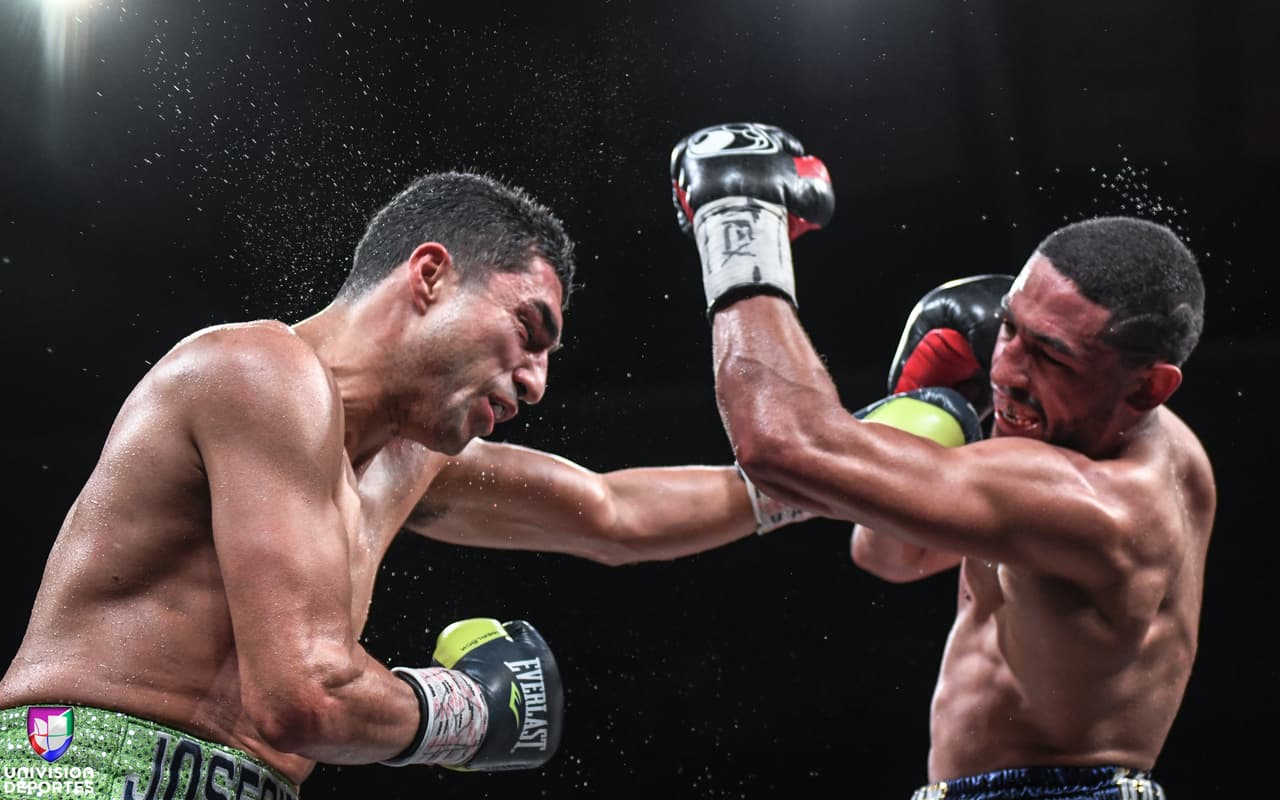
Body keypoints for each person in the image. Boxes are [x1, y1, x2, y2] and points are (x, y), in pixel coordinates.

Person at [0, 169, 887, 799]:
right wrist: (466, 710)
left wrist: (845, 474)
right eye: (527, 328)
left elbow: (614, 513)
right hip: (79, 767)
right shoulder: (254, 370)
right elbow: (305, 696)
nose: (537, 380)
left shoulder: (407, 458)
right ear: (430, 276)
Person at [670, 122, 1213, 800]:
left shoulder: (1096, 503)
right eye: (1010, 325)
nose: (1007, 368)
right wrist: (921, 423)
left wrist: (738, 228)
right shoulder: (1075, 437)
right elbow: (889, 556)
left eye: (1051, 355)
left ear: (1147, 387)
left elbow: (781, 446)